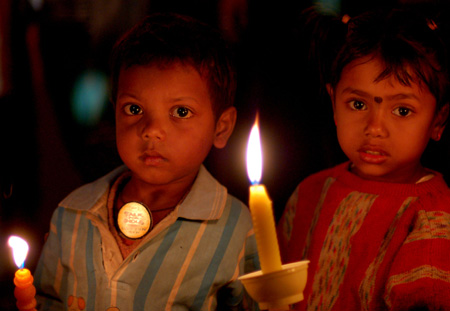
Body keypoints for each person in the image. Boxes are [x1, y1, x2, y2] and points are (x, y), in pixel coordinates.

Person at [34, 13, 259, 311]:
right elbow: (41, 301)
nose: (151, 129)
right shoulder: (73, 213)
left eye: (180, 112)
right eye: (134, 108)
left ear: (222, 127)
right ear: (114, 112)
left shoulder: (236, 229)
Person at [277, 7, 450, 311]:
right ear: (333, 102)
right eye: (357, 104)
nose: (374, 128)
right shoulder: (309, 192)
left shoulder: (433, 217)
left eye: (402, 111)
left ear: (438, 121)